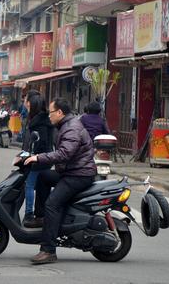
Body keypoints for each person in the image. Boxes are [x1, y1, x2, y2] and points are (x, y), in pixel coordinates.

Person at [24, 98, 97, 264]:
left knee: (53, 204)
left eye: (50, 112)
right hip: (70, 171)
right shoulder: (64, 125)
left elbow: (64, 154)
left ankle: (48, 251)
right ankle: (42, 218)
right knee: (43, 177)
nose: (48, 116)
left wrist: (39, 157)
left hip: (78, 175)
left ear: (59, 113)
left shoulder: (71, 128)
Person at [23, 94, 54, 226]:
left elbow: (41, 141)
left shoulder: (38, 122)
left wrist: (34, 155)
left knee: (29, 185)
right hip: (45, 157)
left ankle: (29, 213)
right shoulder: (42, 119)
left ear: (31, 104)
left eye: (26, 100)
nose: (24, 102)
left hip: (40, 158)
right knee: (41, 185)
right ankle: (40, 212)